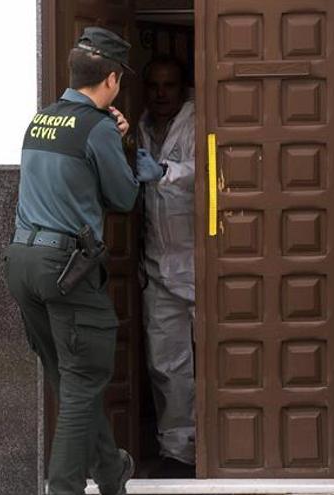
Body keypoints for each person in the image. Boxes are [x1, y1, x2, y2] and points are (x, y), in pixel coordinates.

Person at [2, 27, 165, 495]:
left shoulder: (41, 120)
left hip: (21, 262)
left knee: (70, 378)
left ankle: (111, 471)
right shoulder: (96, 129)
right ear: (112, 80)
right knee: (83, 382)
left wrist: (112, 140)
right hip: (65, 269)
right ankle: (66, 489)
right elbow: (122, 196)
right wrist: (125, 147)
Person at [136, 55, 197, 477]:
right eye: (154, 86)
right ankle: (178, 451)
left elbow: (213, 168)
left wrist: (165, 170)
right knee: (166, 363)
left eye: (169, 86)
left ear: (182, 88)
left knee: (218, 359)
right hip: (156, 264)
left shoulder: (199, 121)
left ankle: (226, 444)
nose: (161, 94)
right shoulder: (137, 127)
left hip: (201, 262)